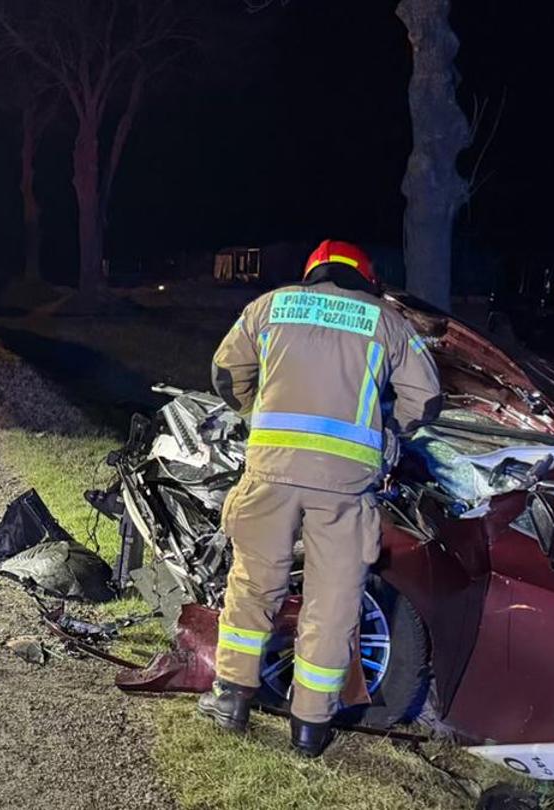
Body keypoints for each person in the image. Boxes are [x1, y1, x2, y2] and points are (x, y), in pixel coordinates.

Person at [196, 239, 441, 757]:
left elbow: (226, 372)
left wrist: (253, 412)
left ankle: (232, 701)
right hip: (345, 485)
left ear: (313, 273)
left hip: (271, 472)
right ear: (366, 278)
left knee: (253, 584)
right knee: (333, 603)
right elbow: (428, 397)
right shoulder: (385, 320)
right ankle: (310, 729)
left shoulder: (269, 306)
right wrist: (390, 431)